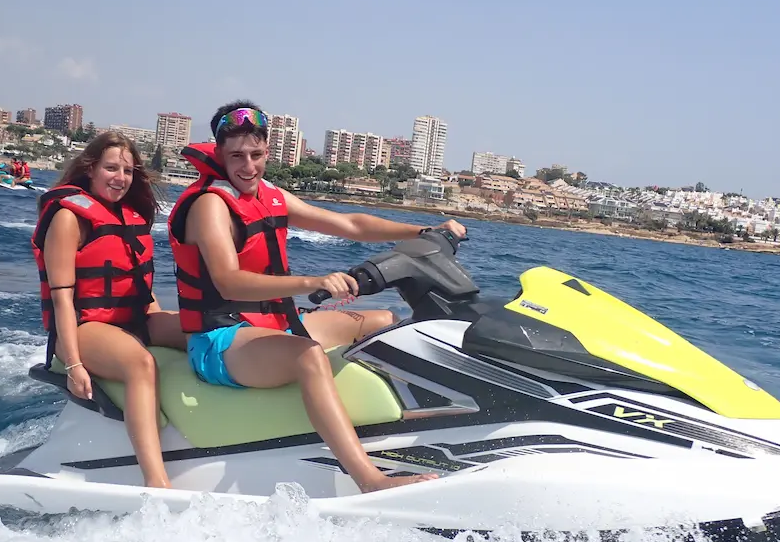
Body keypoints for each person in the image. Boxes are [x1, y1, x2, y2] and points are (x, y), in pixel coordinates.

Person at [167, 100, 468, 493]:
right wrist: (312, 282)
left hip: (271, 324)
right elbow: (229, 283)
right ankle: (369, 479)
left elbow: (349, 224)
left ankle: (412, 433)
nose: (247, 166)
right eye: (236, 156)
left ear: (268, 153)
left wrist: (423, 232)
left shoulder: (269, 195)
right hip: (221, 340)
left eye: (256, 155)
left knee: (384, 323)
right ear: (220, 154)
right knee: (308, 356)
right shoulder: (210, 205)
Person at [31, 131, 187, 488]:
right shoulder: (69, 219)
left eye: (128, 171)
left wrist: (167, 325)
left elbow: (139, 288)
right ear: (91, 169)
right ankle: (156, 481)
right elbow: (62, 300)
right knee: (141, 364)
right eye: (111, 168)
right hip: (82, 326)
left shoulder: (130, 216)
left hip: (132, 319)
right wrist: (72, 365)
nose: (120, 178)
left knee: (201, 329)